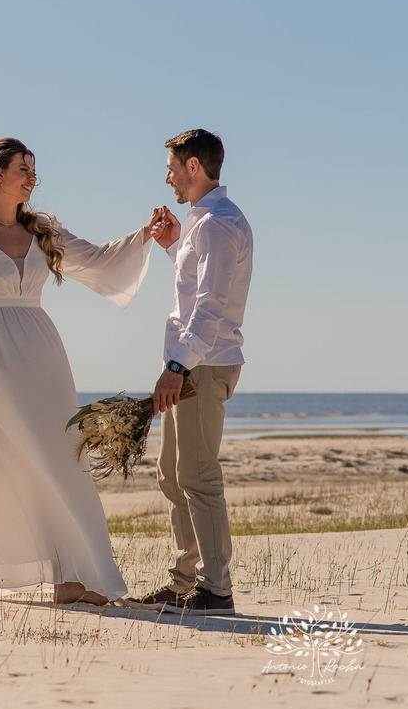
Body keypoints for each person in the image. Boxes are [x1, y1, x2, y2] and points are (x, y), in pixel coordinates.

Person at [0, 137, 161, 604]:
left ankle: (70, 578)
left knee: (63, 459)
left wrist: (145, 233)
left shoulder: (44, 229)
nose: (32, 177)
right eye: (23, 168)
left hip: (42, 354)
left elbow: (97, 259)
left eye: (33, 170)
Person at [133, 129, 253, 616]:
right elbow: (195, 285)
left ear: (194, 167)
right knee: (171, 474)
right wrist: (171, 245)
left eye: (171, 169)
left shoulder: (220, 224)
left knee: (198, 476)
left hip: (202, 365)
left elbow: (211, 306)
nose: (167, 178)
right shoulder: (201, 222)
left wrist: (177, 367)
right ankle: (185, 582)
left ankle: (215, 589)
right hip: (188, 364)